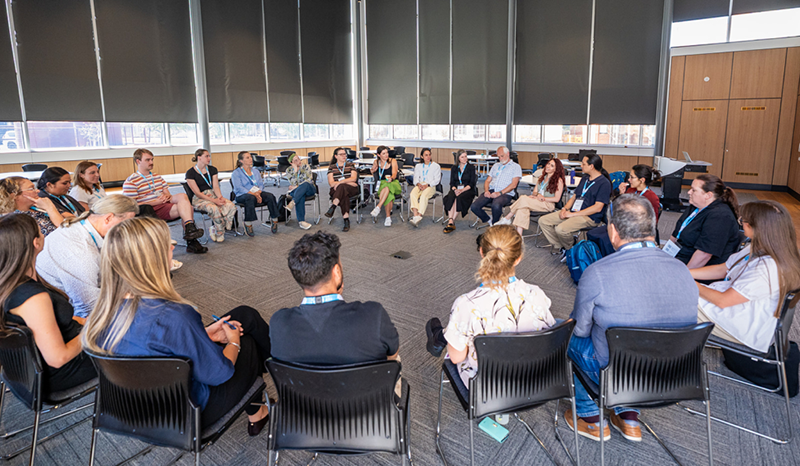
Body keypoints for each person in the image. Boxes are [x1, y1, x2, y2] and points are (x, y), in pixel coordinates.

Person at [81, 217, 273, 435]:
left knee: (244, 315)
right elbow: (220, 374)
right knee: (246, 340)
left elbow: (153, 345)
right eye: (167, 244)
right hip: (187, 416)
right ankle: (271, 394)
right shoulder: (173, 315)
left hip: (133, 412)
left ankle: (261, 406)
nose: (173, 247)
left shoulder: (100, 314)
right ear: (152, 259)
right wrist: (234, 342)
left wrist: (204, 335)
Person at [567, 195, 698, 442]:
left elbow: (580, 329)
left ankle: (591, 418)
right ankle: (628, 416)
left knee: (566, 336)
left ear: (613, 231)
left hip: (618, 371)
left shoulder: (598, 272)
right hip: (673, 375)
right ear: (653, 228)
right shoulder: (682, 269)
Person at [425, 225, 555, 400]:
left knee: (459, 340)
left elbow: (456, 358)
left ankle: (444, 335)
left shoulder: (467, 304)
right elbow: (548, 338)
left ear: (482, 252)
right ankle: (445, 334)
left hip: (487, 389)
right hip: (533, 382)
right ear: (518, 258)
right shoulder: (536, 294)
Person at [270, 231, 399, 366]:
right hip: (366, 380)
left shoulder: (278, 323)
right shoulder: (373, 315)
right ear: (337, 272)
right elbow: (392, 355)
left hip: (301, 381)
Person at [0, 213, 97, 394]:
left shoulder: (12, 281)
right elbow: (58, 358)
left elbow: (55, 324)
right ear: (36, 243)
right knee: (140, 337)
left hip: (37, 368)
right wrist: (94, 329)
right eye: (40, 232)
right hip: (64, 370)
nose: (44, 234)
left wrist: (86, 321)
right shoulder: (32, 297)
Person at [692, 201, 800, 353]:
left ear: (755, 226)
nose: (741, 224)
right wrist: (684, 272)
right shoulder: (760, 247)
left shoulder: (768, 267)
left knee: (670, 302)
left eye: (743, 220)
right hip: (734, 309)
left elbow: (723, 301)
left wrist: (688, 283)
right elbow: (724, 269)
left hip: (742, 325)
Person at [35, 195, 138, 319]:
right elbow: (88, 305)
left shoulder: (82, 228)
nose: (128, 229)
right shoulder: (78, 248)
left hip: (78, 300)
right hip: (68, 313)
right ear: (108, 218)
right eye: (126, 223)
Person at [122, 148, 206, 253]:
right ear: (138, 161)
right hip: (148, 210)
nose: (151, 162)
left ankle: (190, 229)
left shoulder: (157, 177)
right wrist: (155, 202)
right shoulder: (131, 181)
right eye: (148, 160)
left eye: (152, 159)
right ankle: (191, 239)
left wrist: (166, 196)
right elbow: (130, 205)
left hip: (164, 206)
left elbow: (167, 193)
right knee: (188, 208)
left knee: (184, 199)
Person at [539, 153, 611, 258]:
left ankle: (570, 249)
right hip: (573, 212)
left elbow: (598, 207)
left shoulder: (604, 183)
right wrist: (564, 209)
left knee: (561, 229)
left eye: (583, 164)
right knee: (543, 221)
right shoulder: (585, 179)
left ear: (591, 166)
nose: (581, 166)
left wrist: (572, 214)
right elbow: (574, 198)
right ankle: (563, 247)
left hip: (589, 217)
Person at [665, 174, 740, 269]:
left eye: (694, 190)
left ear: (708, 195)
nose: (689, 192)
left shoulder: (720, 216)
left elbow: (704, 254)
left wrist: (685, 274)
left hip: (700, 268)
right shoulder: (695, 207)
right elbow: (676, 234)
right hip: (680, 257)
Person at [586, 164, 661, 256]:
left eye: (632, 177)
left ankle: (611, 259)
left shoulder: (651, 197)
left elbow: (652, 222)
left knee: (605, 239)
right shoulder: (631, 190)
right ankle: (597, 257)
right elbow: (619, 209)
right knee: (593, 233)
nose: (629, 180)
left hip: (636, 230)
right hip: (623, 224)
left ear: (642, 180)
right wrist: (621, 194)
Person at [496, 158, 565, 236]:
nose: (548, 166)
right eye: (548, 164)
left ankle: (507, 218)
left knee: (523, 199)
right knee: (523, 208)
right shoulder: (541, 177)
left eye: (552, 166)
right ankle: (519, 236)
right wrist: (537, 195)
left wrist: (543, 198)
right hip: (537, 201)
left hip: (548, 204)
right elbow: (534, 192)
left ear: (556, 169)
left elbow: (557, 199)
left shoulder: (559, 181)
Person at [185, 148, 236, 243]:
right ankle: (220, 233)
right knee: (214, 209)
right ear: (199, 157)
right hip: (200, 199)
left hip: (213, 195)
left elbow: (216, 186)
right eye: (206, 156)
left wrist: (220, 197)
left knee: (231, 206)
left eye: (209, 156)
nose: (209, 158)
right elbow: (197, 193)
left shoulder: (212, 169)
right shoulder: (190, 173)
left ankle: (217, 227)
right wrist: (214, 201)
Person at [469, 146, 522, 226]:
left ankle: (495, 225)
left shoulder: (516, 167)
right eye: (499, 157)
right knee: (474, 206)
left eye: (502, 156)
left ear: (508, 154)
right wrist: (486, 191)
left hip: (505, 193)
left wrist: (499, 193)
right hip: (492, 190)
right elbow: (487, 180)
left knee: (496, 205)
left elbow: (513, 185)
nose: (500, 159)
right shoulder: (496, 165)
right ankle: (489, 220)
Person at [231, 151, 280, 236]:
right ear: (241, 161)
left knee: (270, 196)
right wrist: (254, 194)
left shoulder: (255, 171)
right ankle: (248, 223)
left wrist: (258, 192)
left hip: (257, 193)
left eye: (250, 157)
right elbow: (239, 187)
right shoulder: (236, 173)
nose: (251, 159)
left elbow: (261, 184)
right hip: (242, 195)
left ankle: (274, 219)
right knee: (250, 198)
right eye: (247, 158)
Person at [442, 150, 478, 233]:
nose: (465, 158)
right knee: (451, 196)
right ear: (458, 158)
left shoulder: (471, 168)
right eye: (462, 157)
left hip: (468, 190)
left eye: (465, 156)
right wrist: (455, 190)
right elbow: (452, 182)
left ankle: (451, 221)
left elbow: (471, 184)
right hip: (456, 189)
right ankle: (451, 221)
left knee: (459, 198)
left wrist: (461, 190)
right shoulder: (454, 168)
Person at [324, 147, 359, 232]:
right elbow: (331, 183)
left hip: (351, 189)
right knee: (343, 193)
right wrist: (347, 182)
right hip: (337, 190)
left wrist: (339, 183)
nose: (344, 156)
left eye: (345, 154)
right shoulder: (331, 167)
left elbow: (354, 178)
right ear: (336, 156)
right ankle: (346, 219)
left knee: (342, 187)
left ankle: (333, 206)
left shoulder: (350, 165)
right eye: (341, 154)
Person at [408, 148, 442, 227]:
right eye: (426, 155)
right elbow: (415, 178)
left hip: (430, 186)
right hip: (420, 185)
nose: (428, 157)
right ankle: (415, 215)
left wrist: (427, 185)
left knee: (424, 196)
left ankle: (419, 215)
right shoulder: (418, 166)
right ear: (422, 156)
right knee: (413, 194)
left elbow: (437, 180)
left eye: (429, 155)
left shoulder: (436, 166)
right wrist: (418, 184)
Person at [369, 146, 401, 227]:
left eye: (387, 152)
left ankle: (378, 206)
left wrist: (391, 178)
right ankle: (388, 217)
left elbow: (395, 173)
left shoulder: (392, 161)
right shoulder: (376, 162)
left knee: (388, 186)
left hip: (393, 183)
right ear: (378, 155)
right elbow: (372, 171)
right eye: (383, 153)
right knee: (388, 194)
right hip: (382, 184)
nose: (386, 155)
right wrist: (373, 170)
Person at [283, 152, 316, 230]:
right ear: (291, 163)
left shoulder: (305, 166)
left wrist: (297, 186)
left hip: (309, 188)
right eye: (296, 160)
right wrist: (295, 171)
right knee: (300, 195)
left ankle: (293, 202)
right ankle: (301, 222)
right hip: (298, 191)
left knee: (304, 185)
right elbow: (293, 182)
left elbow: (308, 180)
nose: (299, 161)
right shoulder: (289, 170)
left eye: (298, 159)